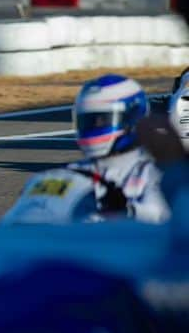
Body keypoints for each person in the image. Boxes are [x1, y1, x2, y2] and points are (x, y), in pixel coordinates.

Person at [66, 74, 170, 224]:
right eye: (89, 120)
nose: (95, 125)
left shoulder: (154, 172)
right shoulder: (71, 173)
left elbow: (160, 215)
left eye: (103, 120)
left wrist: (127, 210)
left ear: (132, 119)